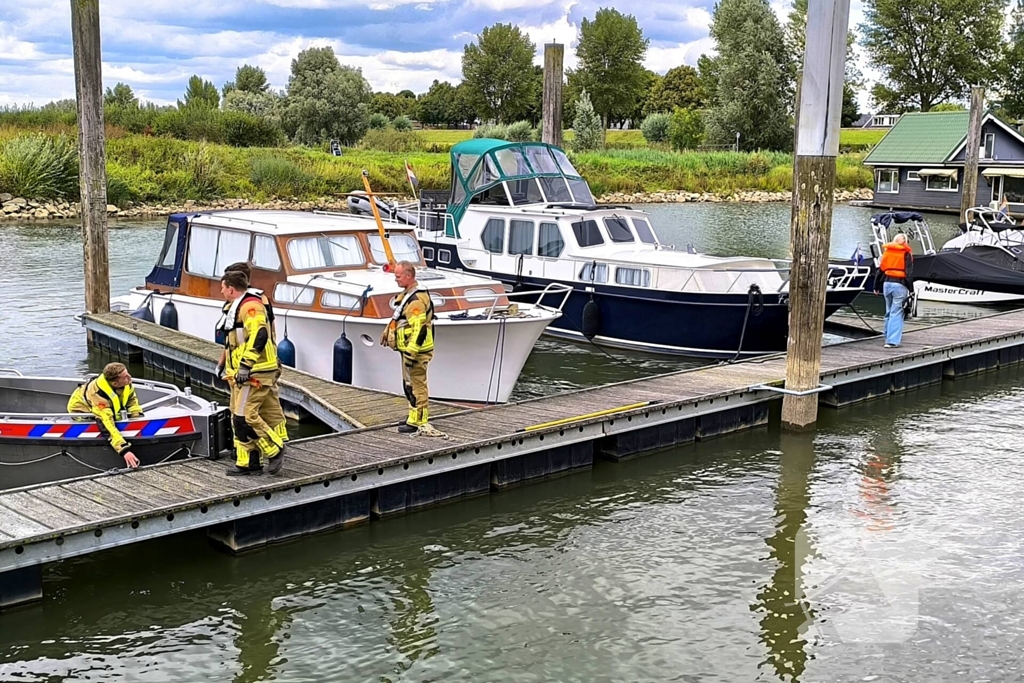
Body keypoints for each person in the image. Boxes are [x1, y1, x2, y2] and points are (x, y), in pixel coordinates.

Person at [215, 264, 288, 464]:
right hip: (242, 371)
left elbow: (261, 334)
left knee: (245, 416)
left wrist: (246, 365)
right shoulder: (234, 307)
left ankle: (274, 449)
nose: (220, 291)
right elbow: (232, 341)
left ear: (231, 288)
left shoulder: (251, 306)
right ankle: (248, 460)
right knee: (244, 414)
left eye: (223, 287)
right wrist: (223, 364)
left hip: (255, 371)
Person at [380, 261, 435, 433]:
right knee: (409, 385)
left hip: (416, 351)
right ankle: (414, 416)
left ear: (408, 276)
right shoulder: (409, 295)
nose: (395, 280)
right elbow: (400, 317)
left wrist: (411, 352)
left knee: (416, 385)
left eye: (398, 276)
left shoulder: (416, 300)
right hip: (409, 350)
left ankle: (419, 420)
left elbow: (419, 329)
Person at [67, 362, 142, 469]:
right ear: (115, 383)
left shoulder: (126, 383)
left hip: (109, 408)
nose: (129, 377)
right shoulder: (98, 395)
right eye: (125, 376)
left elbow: (132, 401)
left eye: (127, 373)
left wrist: (136, 418)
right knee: (103, 424)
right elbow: (107, 424)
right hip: (83, 412)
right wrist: (124, 450)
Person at [874, 233, 914, 349]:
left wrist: (876, 287)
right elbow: (909, 274)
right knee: (897, 312)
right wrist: (911, 290)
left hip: (887, 284)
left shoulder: (887, 252)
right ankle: (891, 341)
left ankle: (886, 334)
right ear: (905, 242)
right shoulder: (906, 253)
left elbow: (880, 271)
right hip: (899, 285)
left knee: (889, 311)